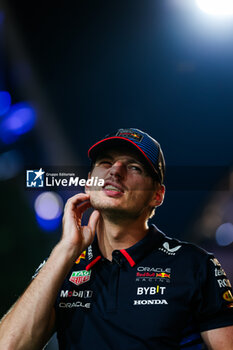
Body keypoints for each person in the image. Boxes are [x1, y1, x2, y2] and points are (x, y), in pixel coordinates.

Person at [0, 127, 233, 350]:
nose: (115, 171)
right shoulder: (63, 266)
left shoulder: (196, 264)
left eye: (134, 167)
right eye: (106, 163)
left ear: (157, 195)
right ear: (90, 182)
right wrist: (65, 249)